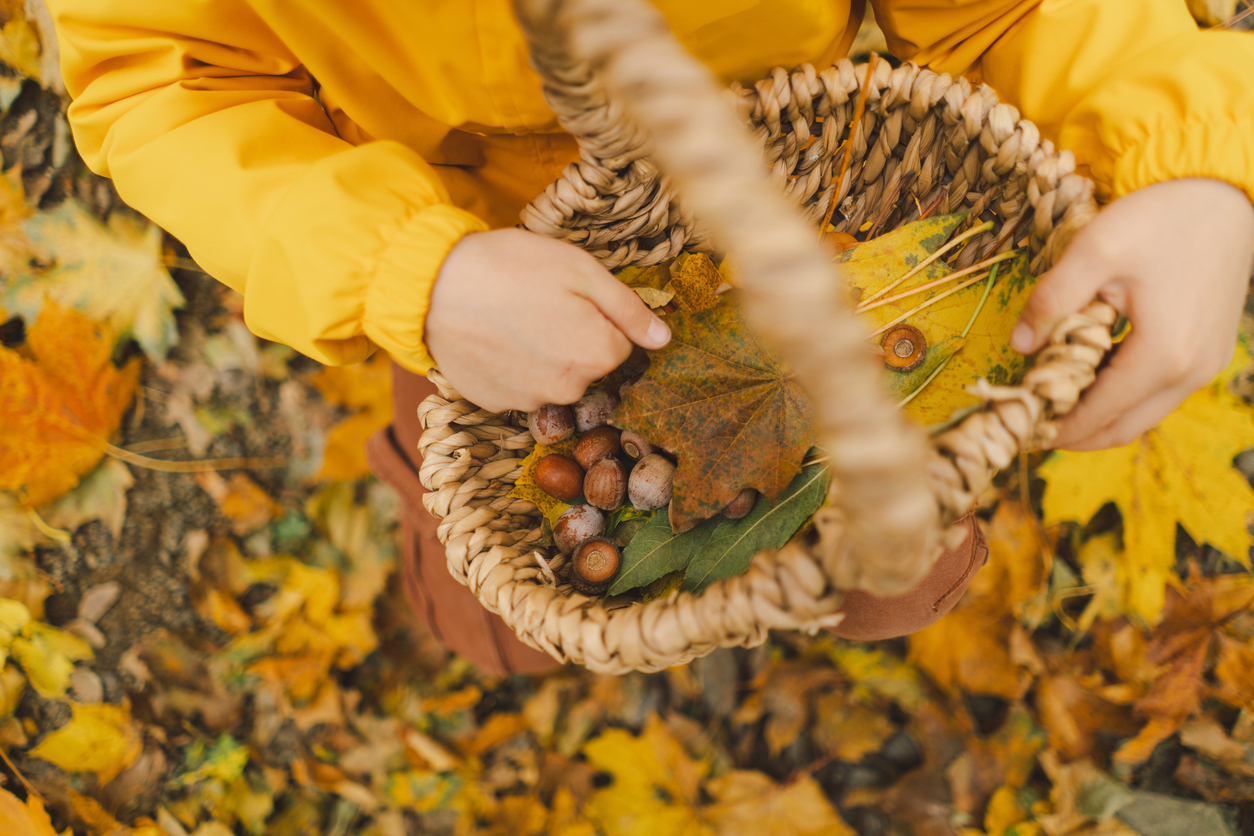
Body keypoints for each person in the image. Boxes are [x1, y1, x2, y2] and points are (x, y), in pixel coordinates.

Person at [47, 1, 1254, 675]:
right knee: (504, 592)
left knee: (880, 567)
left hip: (790, 211)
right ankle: (493, 620)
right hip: (462, 251)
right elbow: (160, 79)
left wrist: (1190, 162)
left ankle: (794, 617)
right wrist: (411, 272)